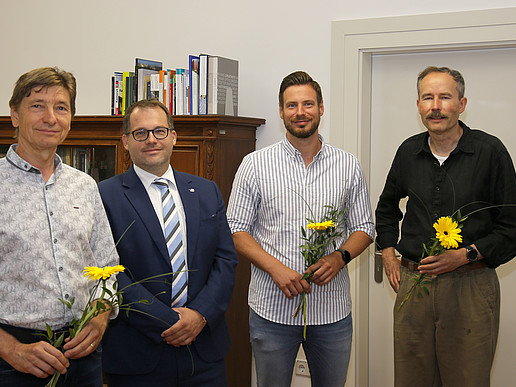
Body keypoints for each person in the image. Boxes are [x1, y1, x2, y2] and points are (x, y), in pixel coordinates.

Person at [227, 71, 374, 387]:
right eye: (291, 105)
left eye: (308, 104)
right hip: (271, 311)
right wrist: (276, 269)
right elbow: (235, 228)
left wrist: (340, 257)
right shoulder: (255, 165)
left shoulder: (348, 165)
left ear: (321, 108)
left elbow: (364, 227)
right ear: (281, 112)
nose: (300, 112)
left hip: (331, 312)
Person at [375, 66, 516, 387]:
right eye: (428, 97)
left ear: (462, 104)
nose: (435, 106)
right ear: (418, 105)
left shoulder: (490, 152)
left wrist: (466, 255)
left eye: (444, 97)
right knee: (412, 380)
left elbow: (512, 226)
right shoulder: (408, 152)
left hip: (471, 285)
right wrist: (387, 253)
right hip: (414, 286)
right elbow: (386, 208)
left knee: (467, 380)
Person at [98, 99, 238, 386]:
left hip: (204, 351)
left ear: (173, 137)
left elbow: (225, 261)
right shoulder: (103, 196)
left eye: (159, 131)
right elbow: (107, 272)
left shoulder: (206, 190)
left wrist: (199, 315)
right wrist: (166, 321)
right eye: (140, 133)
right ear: (125, 141)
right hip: (136, 355)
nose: (151, 140)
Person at [0, 67, 119, 386]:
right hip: (13, 360)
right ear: (14, 115)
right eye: (37, 105)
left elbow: (107, 267)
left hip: (82, 355)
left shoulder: (85, 186)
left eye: (61, 107)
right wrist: (11, 348)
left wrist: (101, 315)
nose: (50, 117)